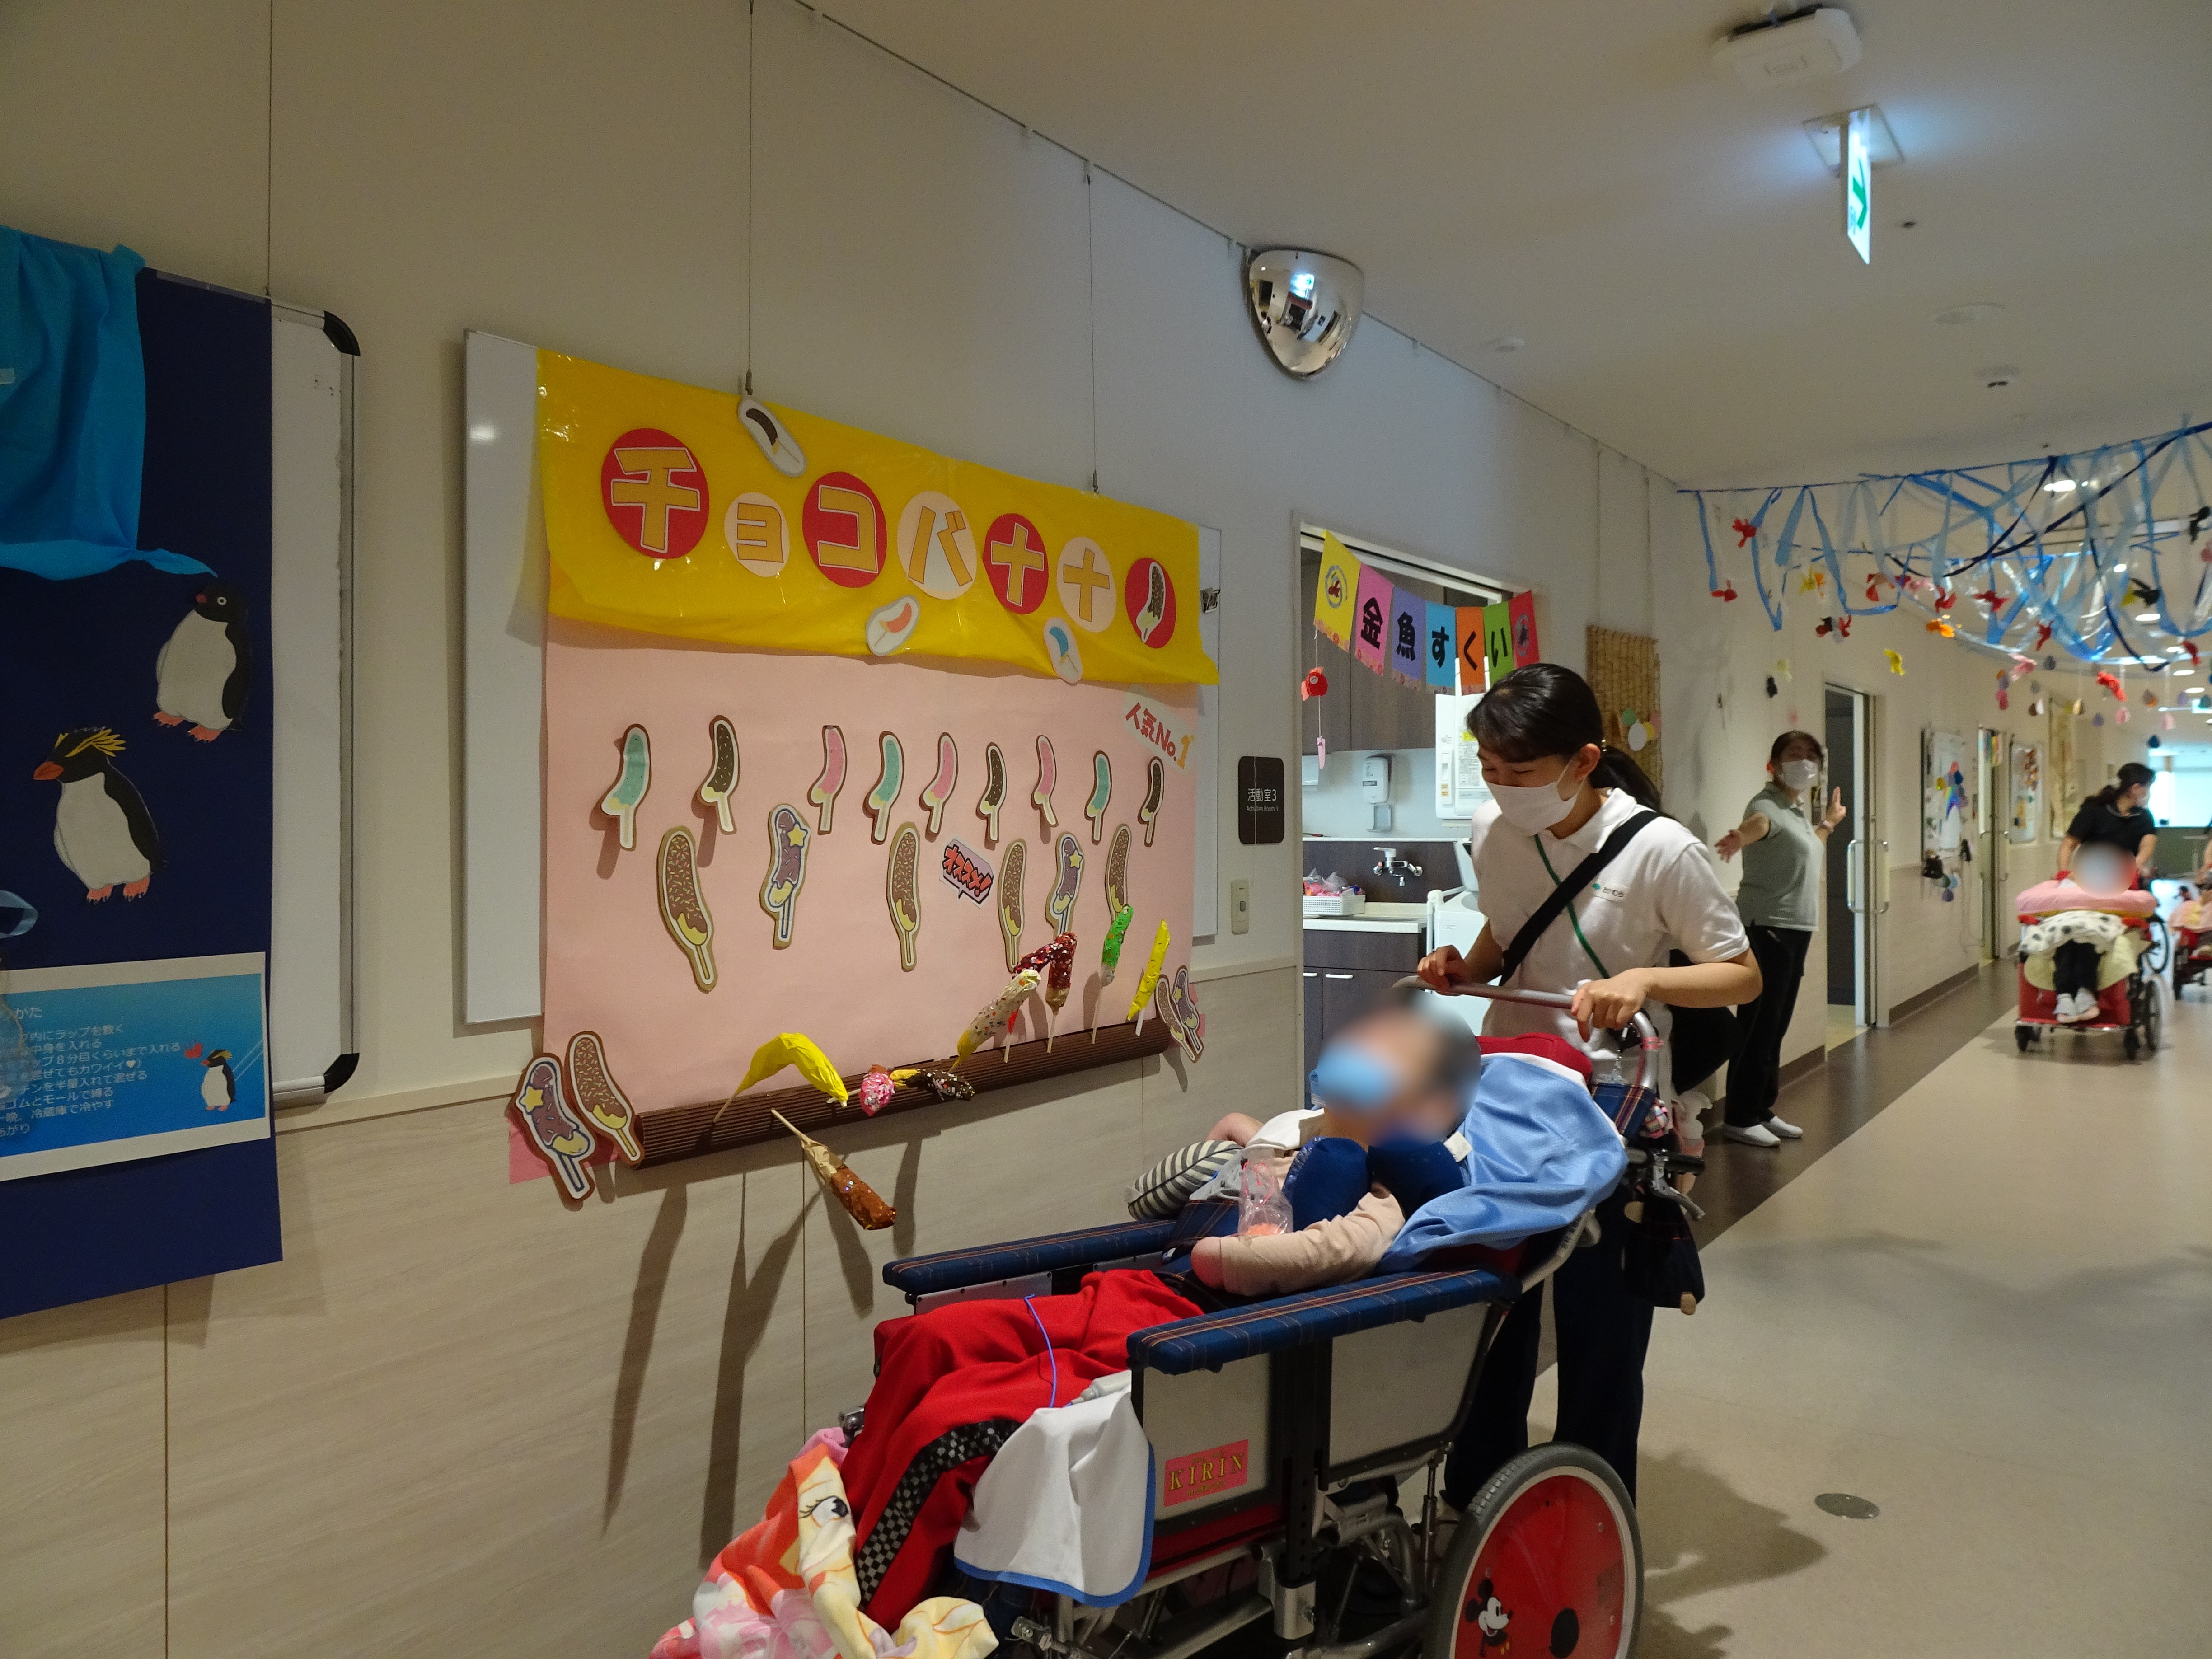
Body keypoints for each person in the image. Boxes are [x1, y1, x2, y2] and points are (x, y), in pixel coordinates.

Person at [1415, 662, 1761, 1507]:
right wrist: (1463, 967)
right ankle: (1479, 1496)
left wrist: (1645, 980)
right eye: (1489, 769)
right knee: (1493, 1302)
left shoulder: (1661, 848)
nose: (1503, 788)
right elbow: (1509, 930)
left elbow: (1740, 974)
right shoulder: (1493, 828)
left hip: (1613, 1102)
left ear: (1584, 761)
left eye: (1521, 771)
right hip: (1507, 1090)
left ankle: (1590, 1509)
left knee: (1600, 1318)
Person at [1709, 731, 1848, 1147]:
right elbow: (1758, 827)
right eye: (1794, 754)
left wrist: (1828, 824)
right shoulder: (1766, 805)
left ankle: (1761, 1109)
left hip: (1795, 928)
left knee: (1776, 1025)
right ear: (1774, 764)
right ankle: (1739, 1116)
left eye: (1811, 756)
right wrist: (1739, 837)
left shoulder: (1796, 812)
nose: (1803, 762)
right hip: (1767, 925)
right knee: (1760, 1024)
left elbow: (1809, 847)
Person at [2051, 762, 2158, 1021]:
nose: (2148, 793)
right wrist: (2064, 872)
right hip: (2087, 881)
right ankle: (2065, 995)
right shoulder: (2094, 812)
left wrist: (2133, 866)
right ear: (2136, 788)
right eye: (2147, 787)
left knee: (2092, 932)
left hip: (2122, 885)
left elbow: (2147, 846)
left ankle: (2084, 992)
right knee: (2070, 930)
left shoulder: (2143, 817)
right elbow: (2069, 844)